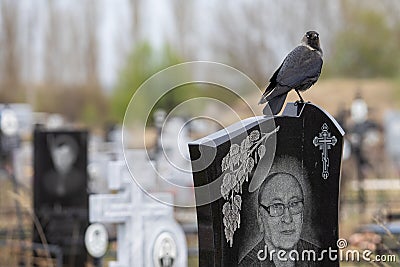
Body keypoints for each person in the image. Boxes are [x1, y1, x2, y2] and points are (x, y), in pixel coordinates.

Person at [239, 159, 320, 267]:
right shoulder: (249, 264)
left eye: (294, 204)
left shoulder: (318, 256)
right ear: (260, 217)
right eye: (276, 206)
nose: (287, 218)